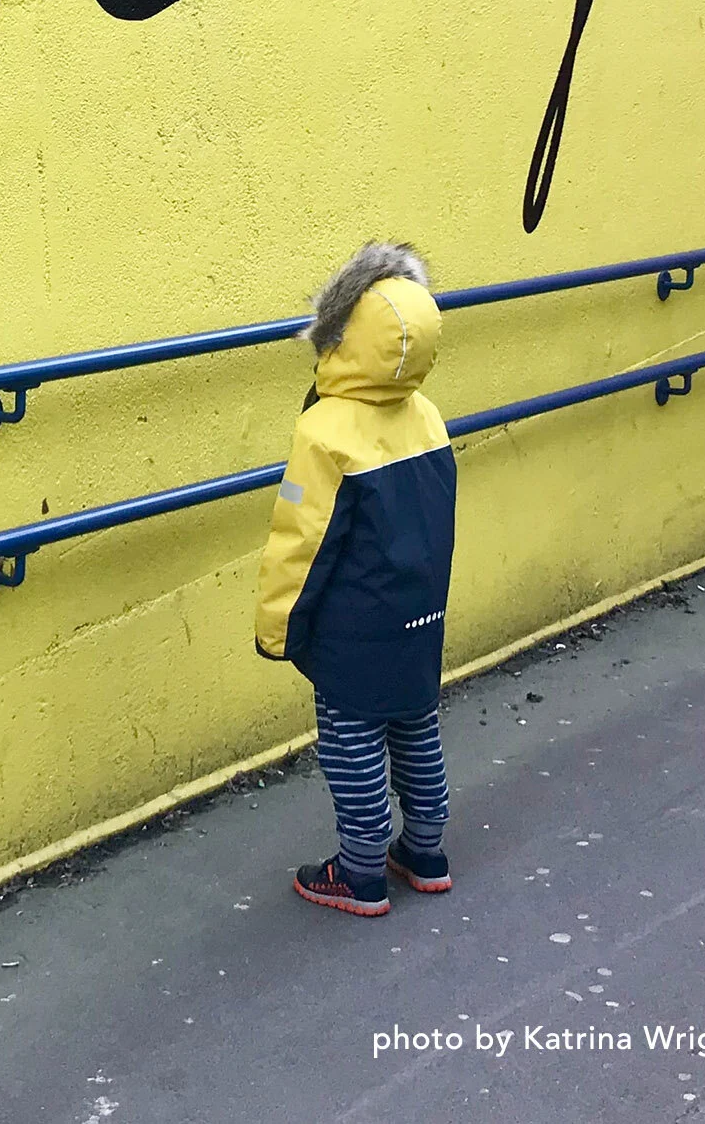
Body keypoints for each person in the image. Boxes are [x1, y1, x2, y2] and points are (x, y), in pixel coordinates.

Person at [254, 242, 456, 917]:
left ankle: (361, 869)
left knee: (351, 739)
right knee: (415, 725)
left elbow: (300, 541)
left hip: (354, 626)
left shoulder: (324, 429)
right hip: (419, 615)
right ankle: (424, 849)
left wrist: (277, 627)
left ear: (339, 336)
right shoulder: (426, 415)